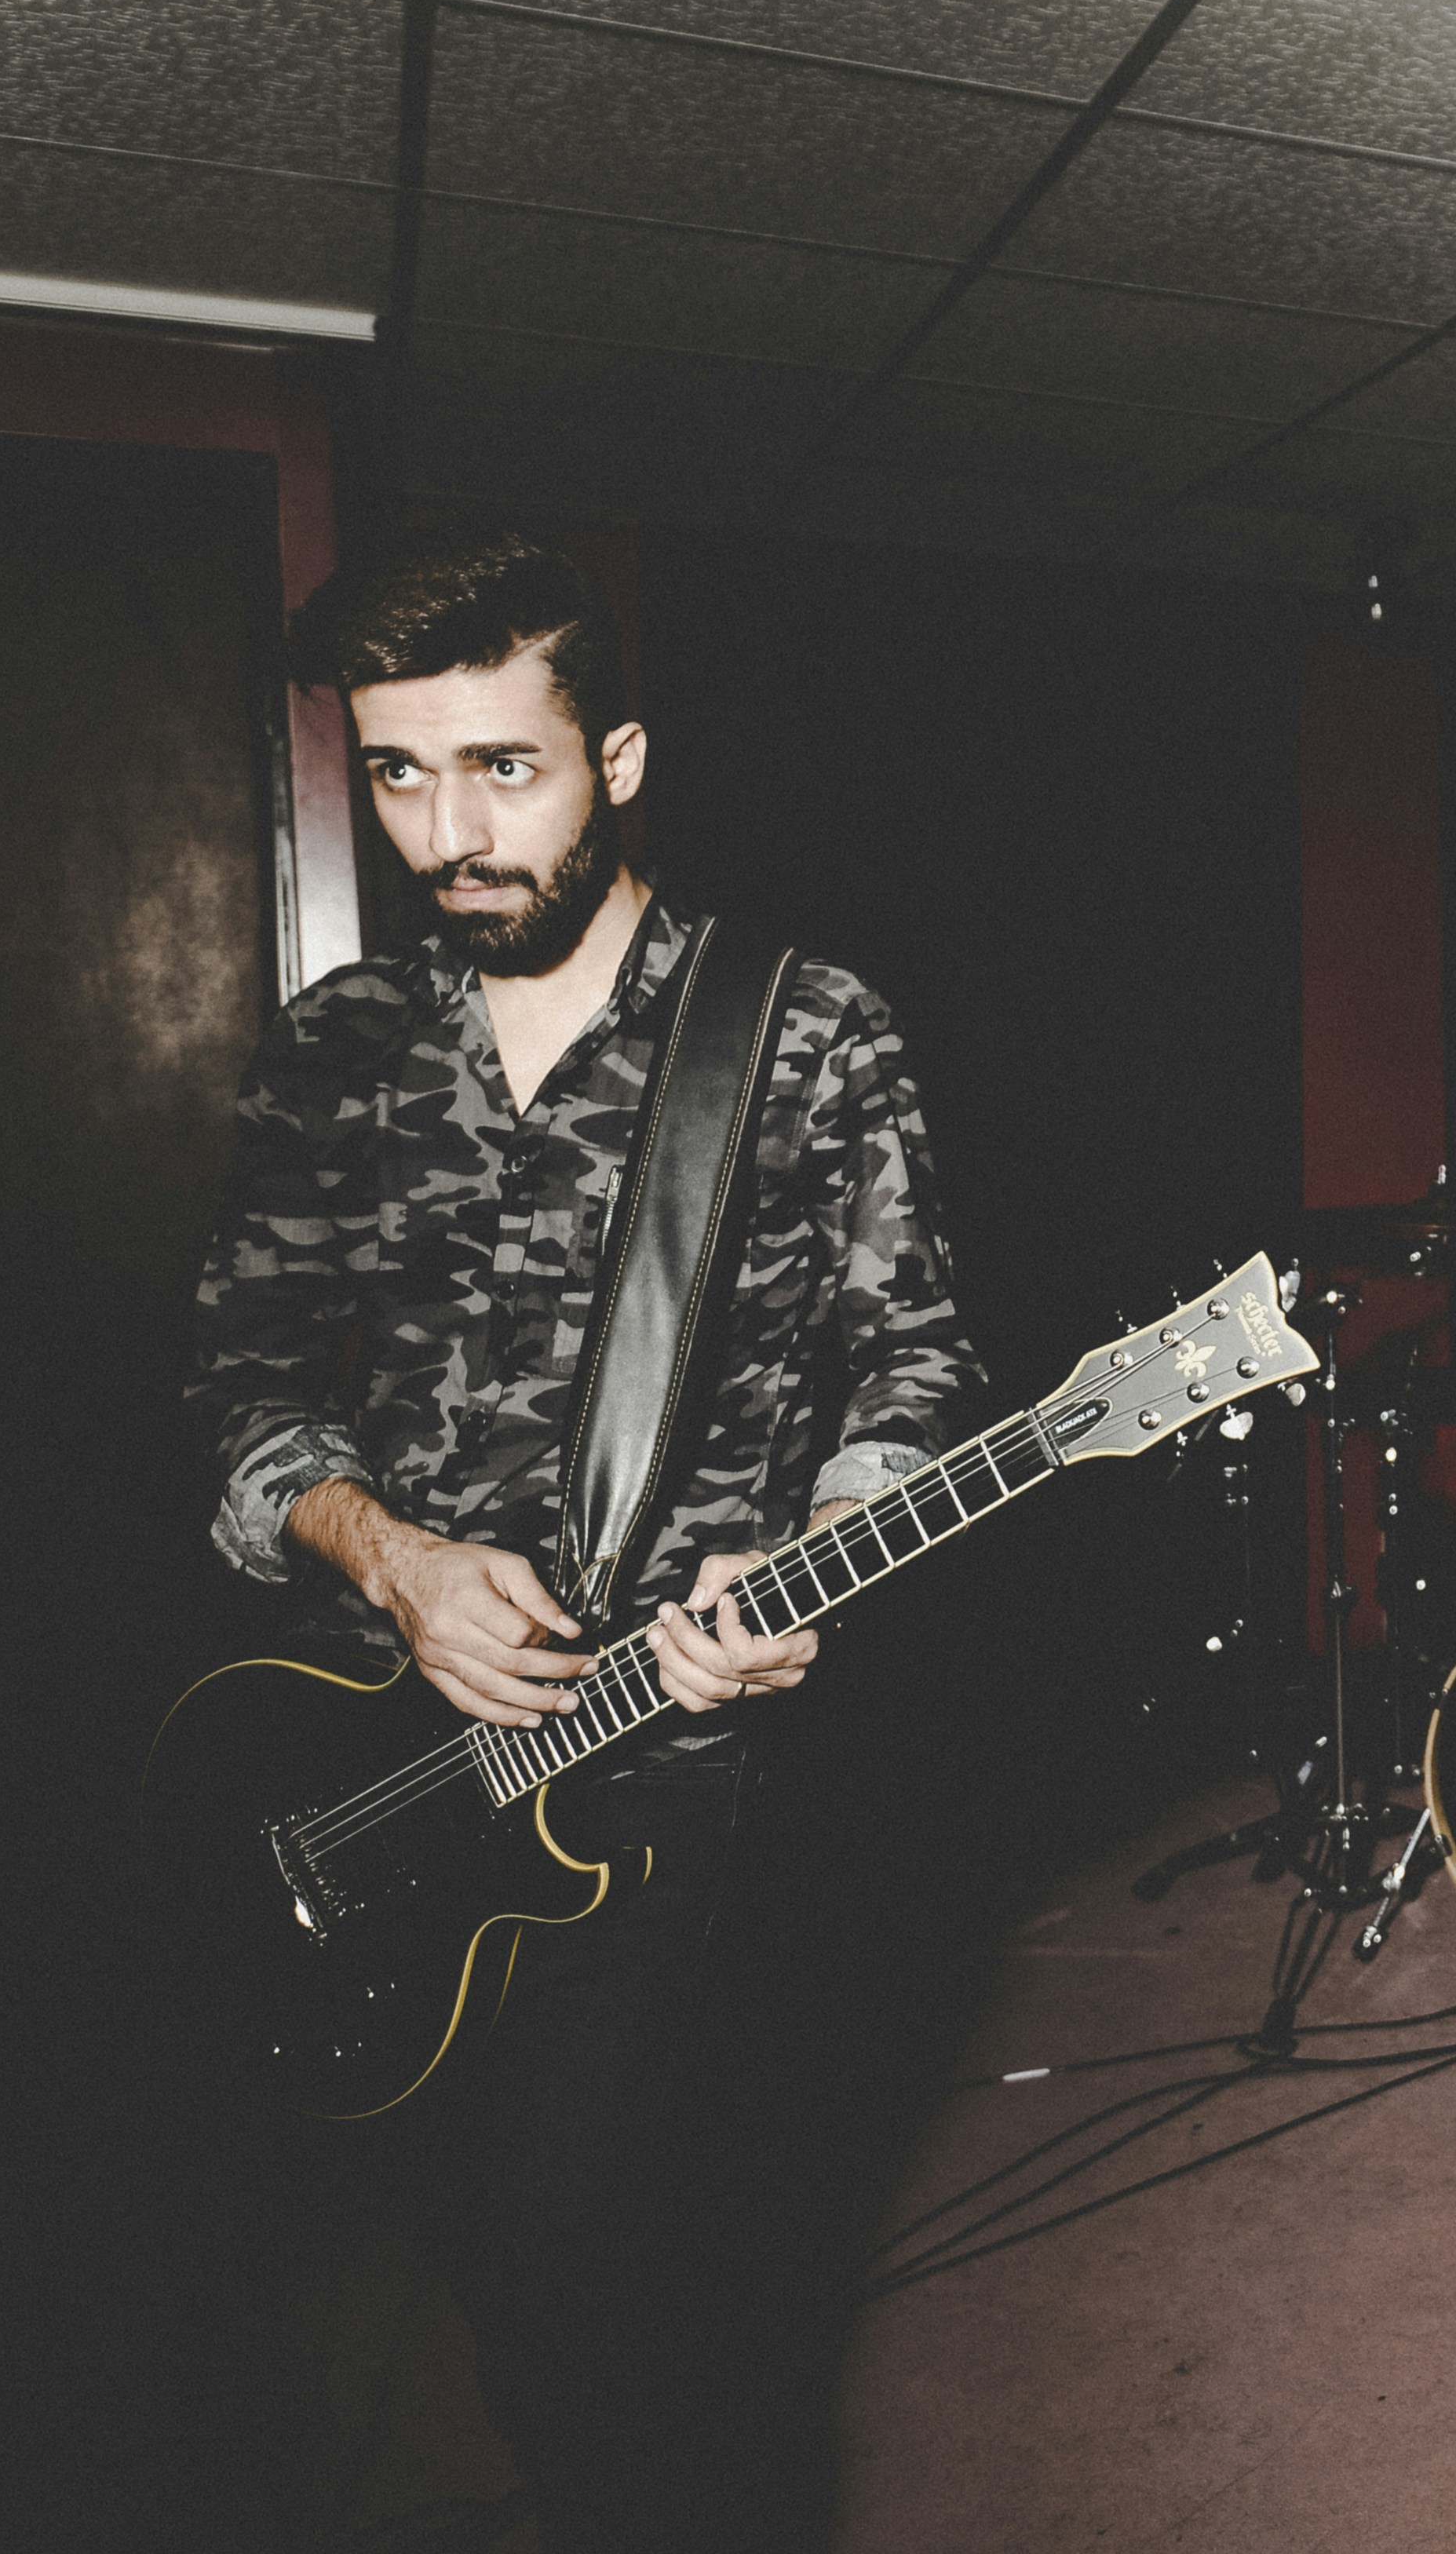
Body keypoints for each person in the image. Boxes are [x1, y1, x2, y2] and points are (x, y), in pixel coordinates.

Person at [188, 529, 983, 2551]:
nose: (445, 831)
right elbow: (240, 1394)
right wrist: (387, 1558)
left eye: (501, 769)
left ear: (616, 754)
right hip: (385, 1763)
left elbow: (913, 1378)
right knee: (487, 2262)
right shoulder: (341, 1048)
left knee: (651, 2289)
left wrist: (813, 1556)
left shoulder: (803, 1032)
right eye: (396, 773)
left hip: (690, 1785)